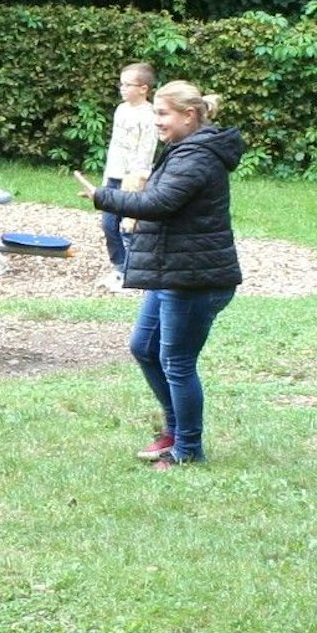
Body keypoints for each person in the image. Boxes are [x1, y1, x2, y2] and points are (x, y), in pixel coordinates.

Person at [75, 82, 242, 469]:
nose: (157, 122)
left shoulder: (198, 156)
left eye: (163, 114)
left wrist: (104, 196)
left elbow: (158, 203)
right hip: (176, 272)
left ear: (189, 115)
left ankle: (188, 449)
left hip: (194, 279)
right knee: (145, 348)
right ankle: (175, 430)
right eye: (156, 114)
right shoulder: (186, 150)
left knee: (177, 362)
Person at [98, 62, 159, 290]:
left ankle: (131, 272)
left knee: (129, 226)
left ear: (143, 88)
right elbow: (115, 147)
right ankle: (119, 266)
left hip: (133, 178)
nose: (122, 89)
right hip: (114, 174)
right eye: (121, 84)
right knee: (108, 224)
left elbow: (146, 151)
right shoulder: (121, 110)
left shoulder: (150, 115)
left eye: (128, 84)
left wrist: (138, 181)